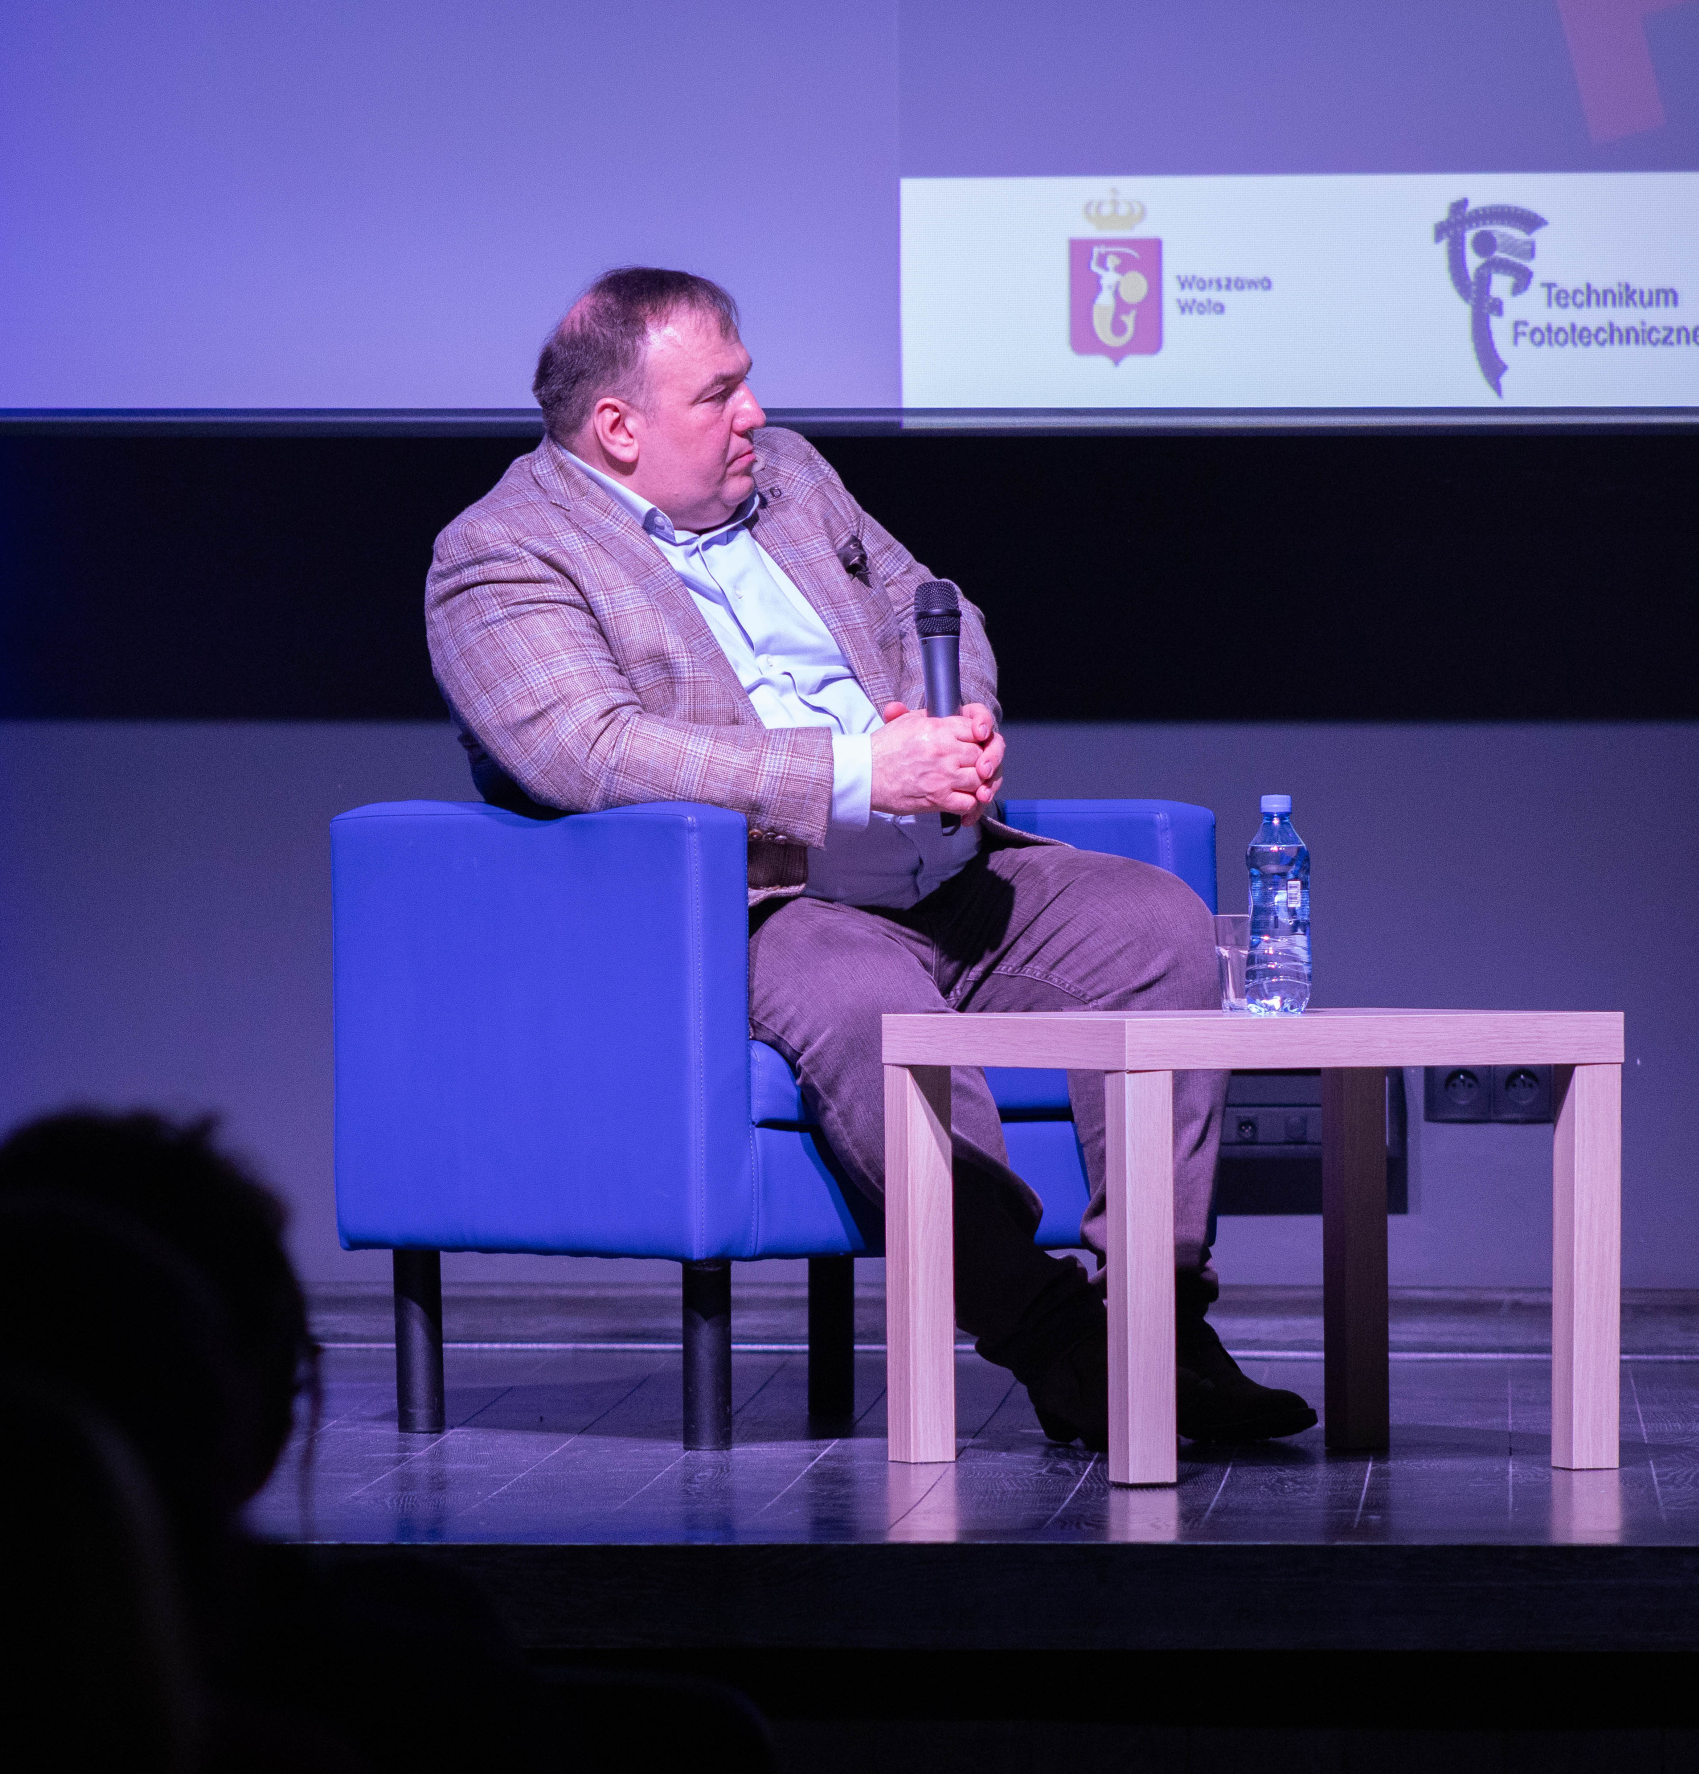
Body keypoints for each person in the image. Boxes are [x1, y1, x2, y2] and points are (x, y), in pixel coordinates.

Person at [425, 268, 1315, 1448]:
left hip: (942, 869)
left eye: (747, 383)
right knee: (868, 1000)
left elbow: (926, 600)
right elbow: (589, 752)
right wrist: (857, 771)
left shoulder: (789, 477)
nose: (753, 414)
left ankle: (1160, 1319)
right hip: (763, 903)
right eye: (718, 394)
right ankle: (1056, 1338)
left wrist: (954, 715)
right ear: (618, 428)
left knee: (1153, 926)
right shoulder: (501, 554)